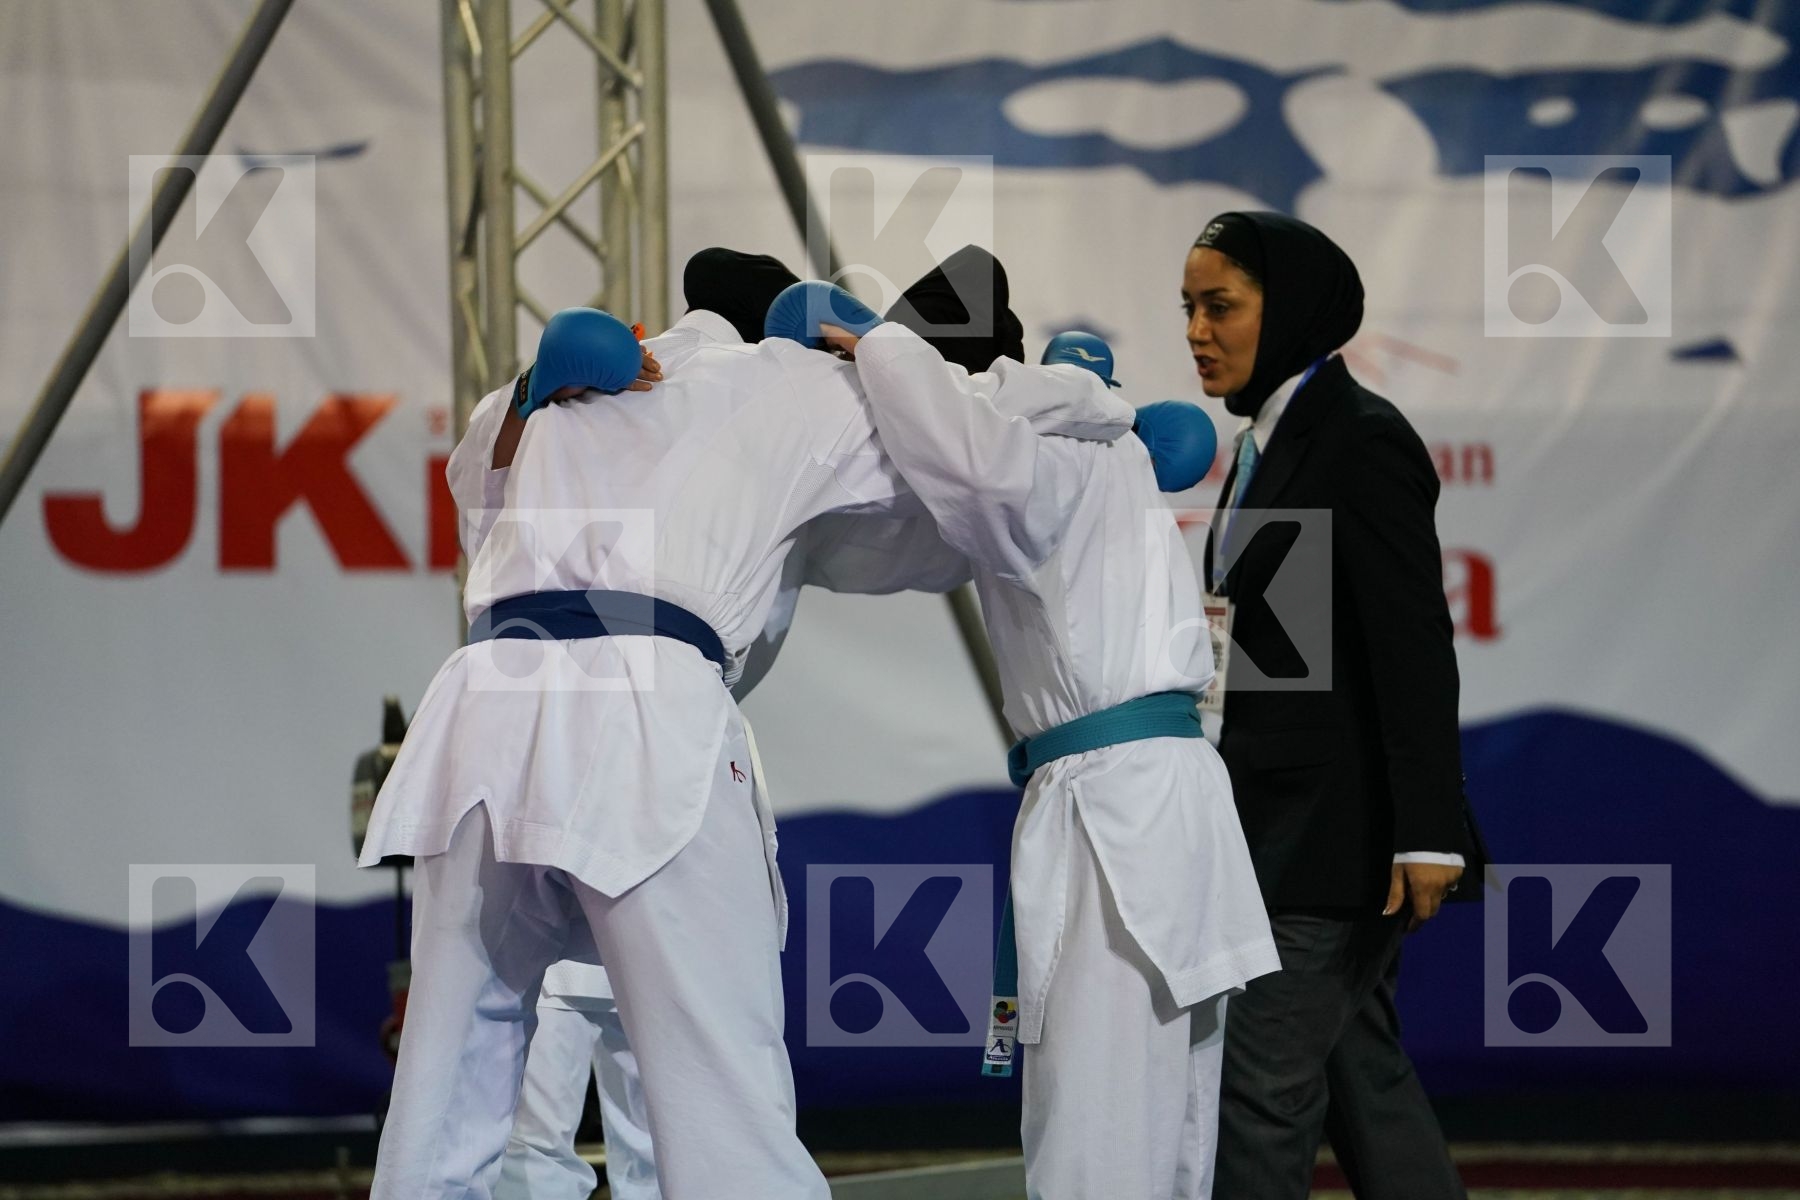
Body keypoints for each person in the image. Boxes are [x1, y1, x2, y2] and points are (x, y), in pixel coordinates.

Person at [359, 260, 1135, 1199]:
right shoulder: (786, 377)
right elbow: (979, 426)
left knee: (444, 1078)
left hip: (484, 700)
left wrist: (529, 389)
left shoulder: (568, 391)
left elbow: (475, 491)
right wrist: (1081, 390)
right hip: (641, 711)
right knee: (719, 1084)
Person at [780, 245, 1281, 1200]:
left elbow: (960, 461)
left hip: (1119, 818)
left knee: (1097, 1124)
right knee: (1170, 1133)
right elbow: (902, 544)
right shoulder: (1090, 447)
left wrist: (878, 349)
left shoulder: (1039, 445)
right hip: (1156, 803)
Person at [1185, 211, 1483, 1200]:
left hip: (1333, 844)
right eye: (1188, 309)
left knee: (1257, 1087)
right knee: (1365, 1085)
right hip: (1272, 829)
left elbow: (1412, 644)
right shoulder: (1263, 447)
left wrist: (1430, 830)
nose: (1196, 332)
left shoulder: (1359, 439)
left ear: (1293, 311)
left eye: (1220, 306)